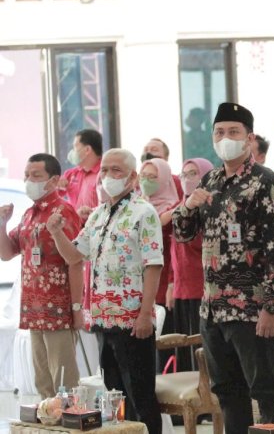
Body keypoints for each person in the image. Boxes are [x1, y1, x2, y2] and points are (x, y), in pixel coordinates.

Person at [172, 102, 274, 431]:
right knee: (226, 392)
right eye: (219, 132)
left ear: (249, 138)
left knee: (265, 390)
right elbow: (183, 235)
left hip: (252, 308)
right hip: (212, 308)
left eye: (233, 132)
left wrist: (271, 306)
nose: (226, 137)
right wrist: (187, 206)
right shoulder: (209, 181)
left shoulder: (268, 183)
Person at [48, 148, 163, 434]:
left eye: (116, 170)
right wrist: (56, 232)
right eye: (105, 170)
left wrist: (145, 314)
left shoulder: (144, 212)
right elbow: (74, 256)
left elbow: (153, 265)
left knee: (141, 395)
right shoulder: (98, 214)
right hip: (102, 319)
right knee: (114, 396)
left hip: (132, 319)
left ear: (133, 176)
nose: (108, 176)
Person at [0, 154, 82, 398]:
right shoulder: (28, 214)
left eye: (36, 175)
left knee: (64, 377)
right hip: (33, 308)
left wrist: (77, 308)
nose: (28, 180)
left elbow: (76, 261)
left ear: (53, 180)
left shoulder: (64, 211)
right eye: (27, 175)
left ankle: (69, 421)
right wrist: (2, 224)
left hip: (59, 307)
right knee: (42, 377)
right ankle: (48, 420)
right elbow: (6, 253)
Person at [170, 158, 214, 372]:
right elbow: (173, 252)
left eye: (193, 174)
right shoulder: (179, 208)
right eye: (184, 175)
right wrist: (171, 283)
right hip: (181, 288)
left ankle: (206, 398)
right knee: (184, 347)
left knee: (202, 346)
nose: (187, 179)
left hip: (202, 287)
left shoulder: (210, 208)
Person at [139, 157, 180, 370]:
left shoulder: (174, 207)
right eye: (143, 176)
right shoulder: (136, 205)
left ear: (164, 179)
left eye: (152, 177)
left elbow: (176, 251)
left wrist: (173, 282)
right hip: (140, 283)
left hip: (165, 282)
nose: (146, 181)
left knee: (165, 341)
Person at [60, 129, 103, 211]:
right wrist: (56, 184)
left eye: (75, 147)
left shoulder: (104, 174)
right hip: (74, 223)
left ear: (87, 150)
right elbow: (53, 196)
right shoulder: (71, 174)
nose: (72, 152)